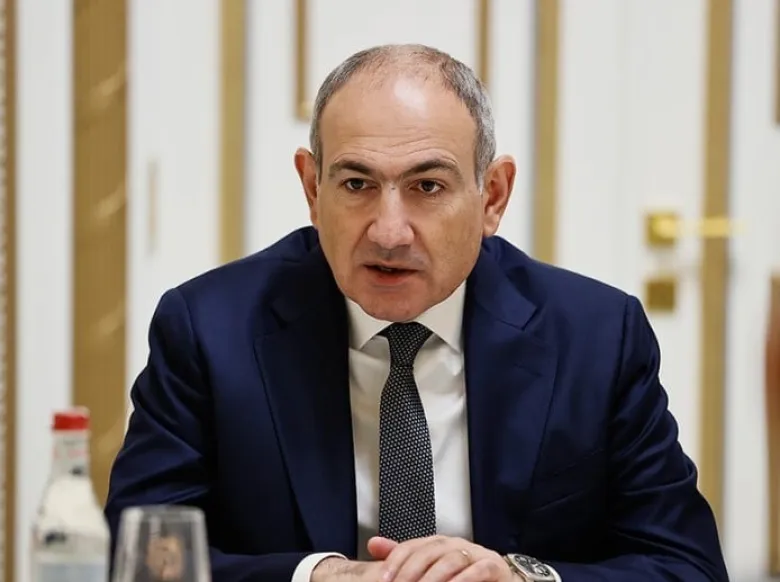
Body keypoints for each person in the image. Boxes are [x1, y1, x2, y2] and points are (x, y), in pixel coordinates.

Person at [104, 44, 729, 582]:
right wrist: (319, 575)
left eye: (428, 187)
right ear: (312, 189)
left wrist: (522, 576)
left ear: (492, 196)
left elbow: (686, 565)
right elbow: (135, 557)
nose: (389, 231)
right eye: (356, 185)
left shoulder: (595, 336)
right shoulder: (211, 330)